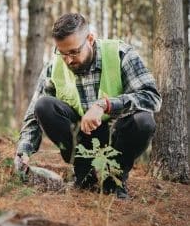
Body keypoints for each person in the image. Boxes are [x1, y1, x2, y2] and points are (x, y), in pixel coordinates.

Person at [14, 13, 162, 199]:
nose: (68, 60)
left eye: (74, 52)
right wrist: (23, 151)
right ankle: (84, 175)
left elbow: (151, 97)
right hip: (81, 139)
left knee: (144, 120)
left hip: (117, 136)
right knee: (43, 106)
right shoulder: (53, 67)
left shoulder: (121, 53)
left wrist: (105, 105)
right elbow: (33, 117)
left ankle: (114, 180)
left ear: (90, 39)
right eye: (62, 53)